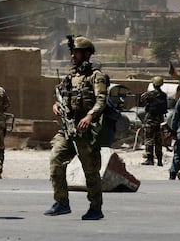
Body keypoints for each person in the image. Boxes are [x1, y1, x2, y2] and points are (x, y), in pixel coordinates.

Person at [45, 36, 107, 221]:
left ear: (87, 54)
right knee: (55, 161)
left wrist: (89, 116)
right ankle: (62, 203)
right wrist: (56, 105)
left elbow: (102, 100)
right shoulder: (70, 77)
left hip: (85, 130)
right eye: (72, 52)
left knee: (90, 170)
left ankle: (95, 208)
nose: (73, 55)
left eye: (77, 52)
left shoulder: (96, 76)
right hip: (67, 128)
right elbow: (61, 98)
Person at [140, 75, 168, 166]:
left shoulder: (149, 94)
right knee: (158, 141)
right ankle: (159, 160)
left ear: (154, 84)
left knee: (149, 139)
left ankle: (150, 159)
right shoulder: (164, 95)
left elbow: (141, 99)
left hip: (150, 120)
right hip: (160, 120)